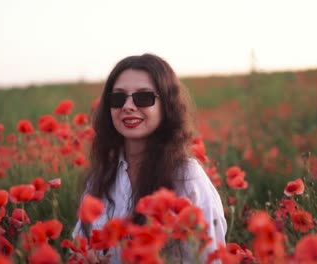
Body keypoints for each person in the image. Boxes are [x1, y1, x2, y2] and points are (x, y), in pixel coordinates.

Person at [72, 53, 227, 263]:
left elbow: (211, 258)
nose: (128, 106)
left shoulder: (187, 176)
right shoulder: (100, 178)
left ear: (166, 106)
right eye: (118, 98)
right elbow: (78, 245)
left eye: (143, 97)